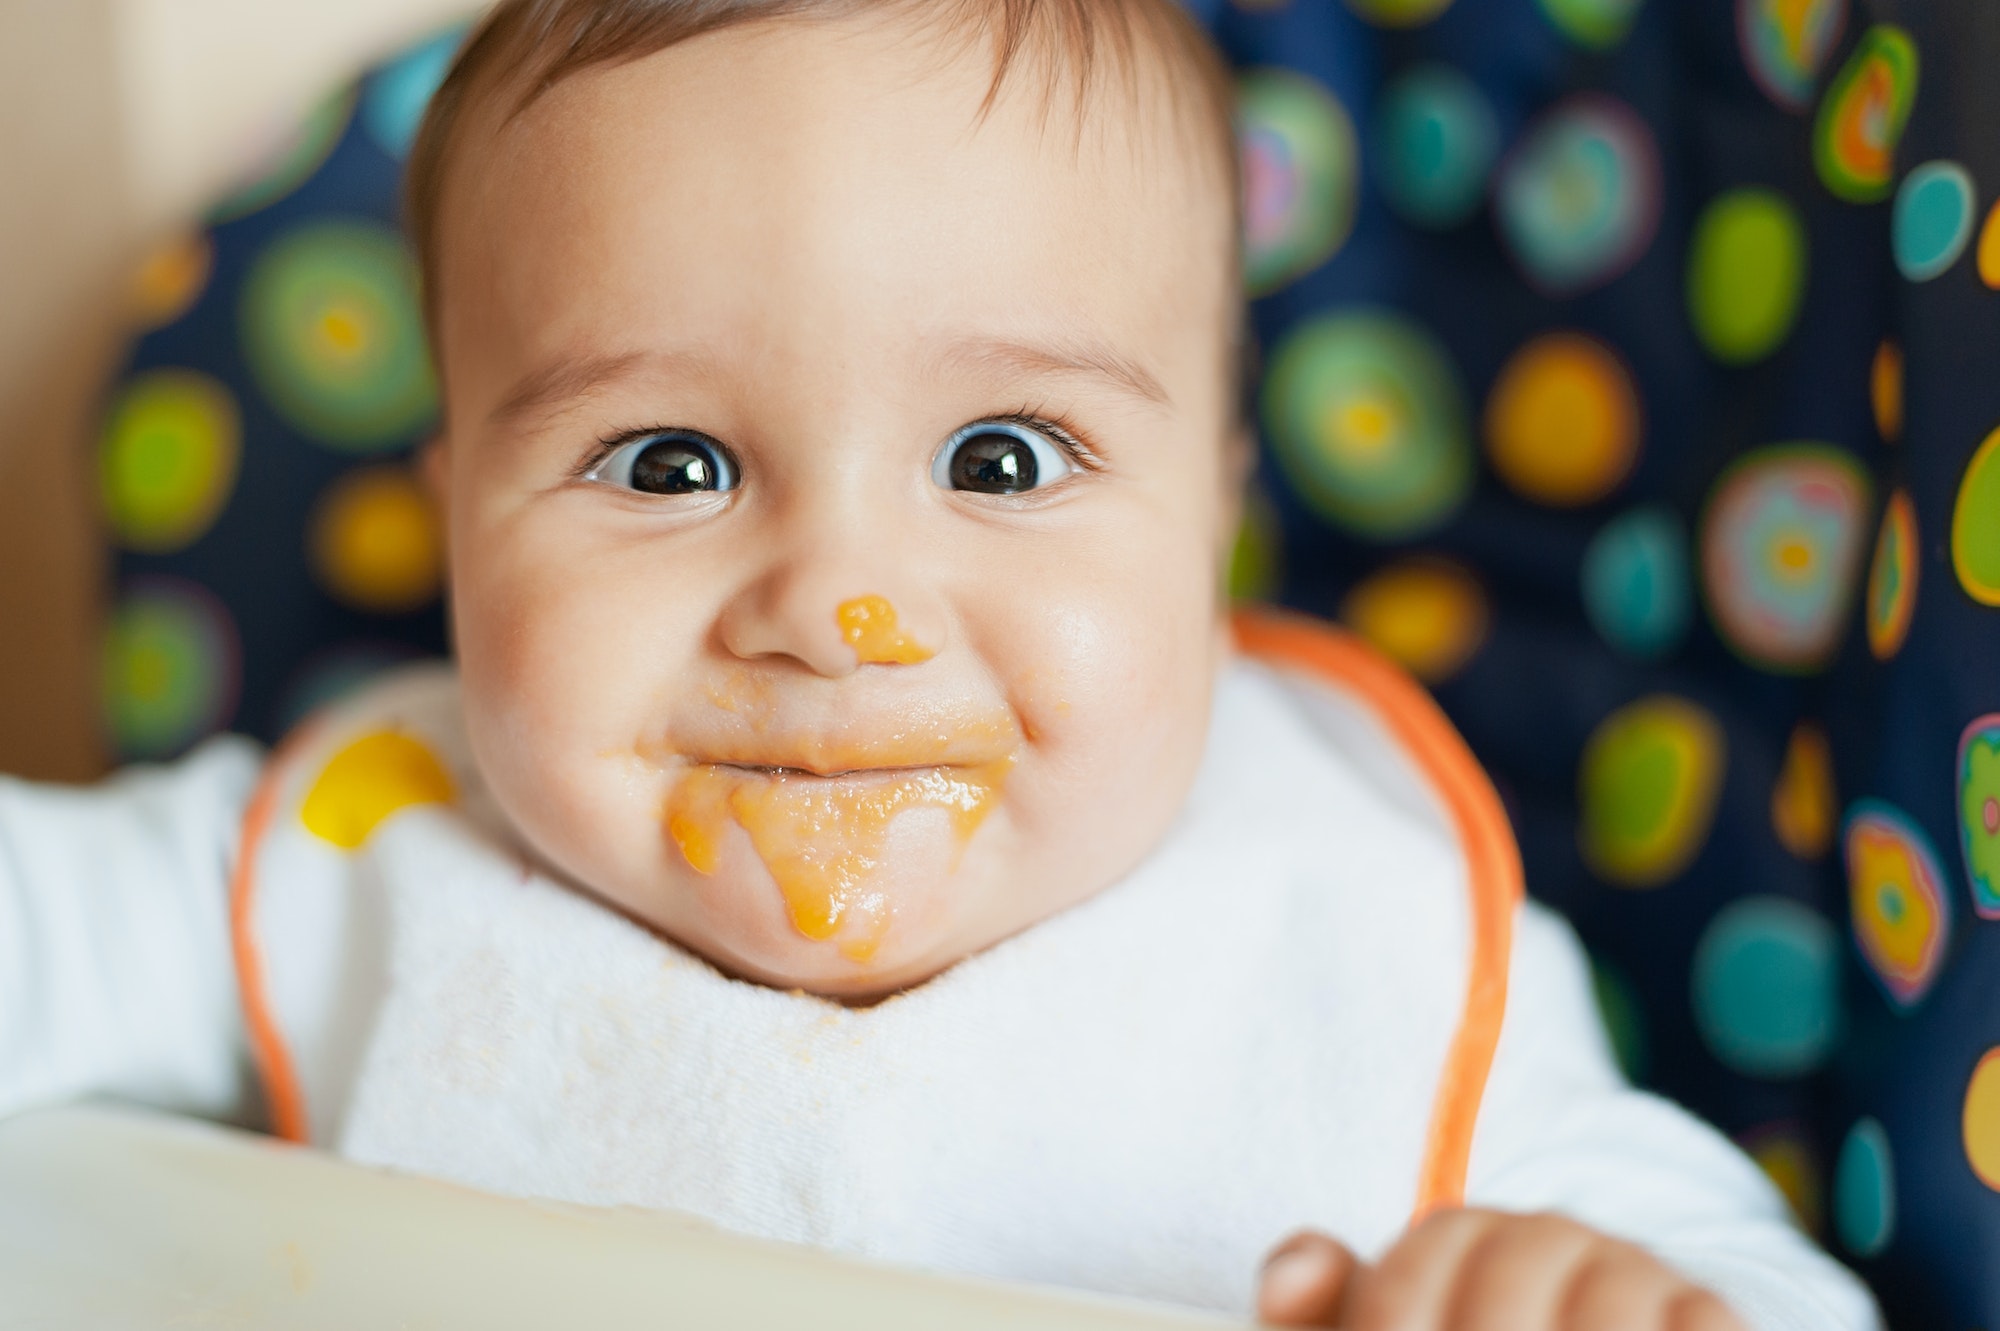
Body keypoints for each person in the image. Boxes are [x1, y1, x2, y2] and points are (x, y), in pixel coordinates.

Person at [0, 2, 1879, 1327]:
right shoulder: (365, 848)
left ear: (1213, 523)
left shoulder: (1343, 928)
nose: (838, 604)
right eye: (670, 464)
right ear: (458, 511)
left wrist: (1593, 1303)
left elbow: (1758, 1295)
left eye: (1002, 459)